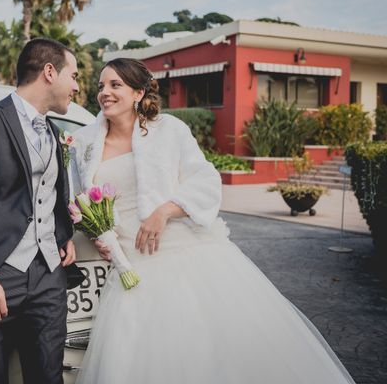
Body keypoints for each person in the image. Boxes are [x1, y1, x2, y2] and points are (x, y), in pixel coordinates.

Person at [72, 58, 356, 384]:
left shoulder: (169, 130)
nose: (104, 93)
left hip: (179, 251)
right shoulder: (85, 143)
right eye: (100, 86)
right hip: (125, 260)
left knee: (198, 349)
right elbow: (80, 200)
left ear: (138, 93)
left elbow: (205, 181)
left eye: (115, 85)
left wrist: (165, 210)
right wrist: (95, 234)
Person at [0, 38, 84, 384]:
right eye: (74, 75)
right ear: (49, 72)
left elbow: (45, 194)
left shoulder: (53, 131)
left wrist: (63, 235)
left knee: (48, 377)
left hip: (49, 278)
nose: (78, 86)